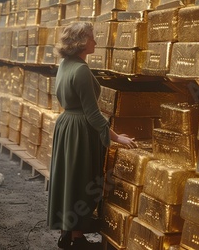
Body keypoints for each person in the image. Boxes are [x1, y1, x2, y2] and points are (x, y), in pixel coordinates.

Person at [47, 22, 137, 249]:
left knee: (68, 179)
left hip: (66, 125)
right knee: (81, 180)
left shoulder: (65, 64)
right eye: (91, 38)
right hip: (80, 129)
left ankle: (66, 233)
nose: (95, 42)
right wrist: (117, 138)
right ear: (80, 42)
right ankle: (77, 238)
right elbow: (93, 114)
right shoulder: (81, 70)